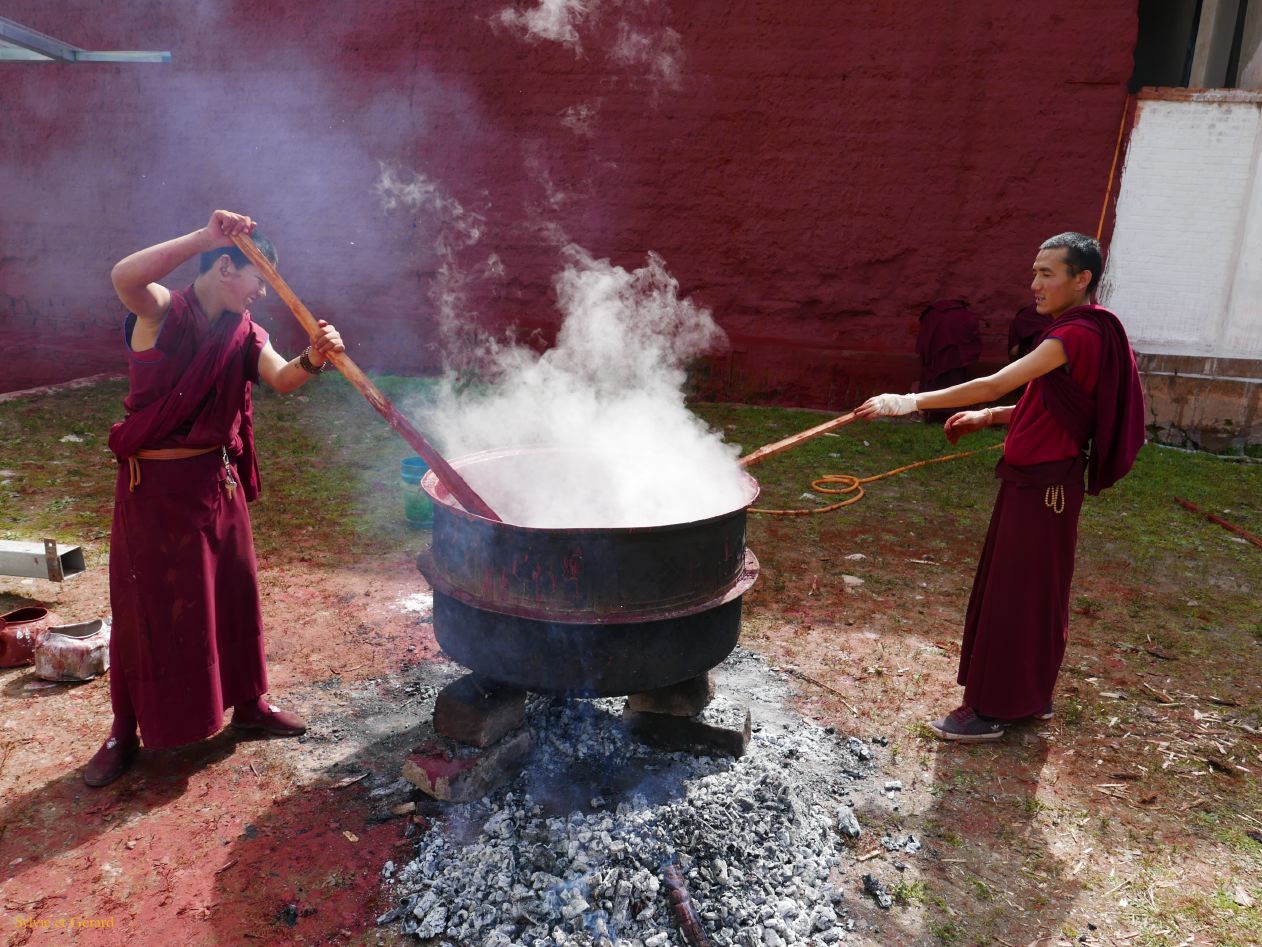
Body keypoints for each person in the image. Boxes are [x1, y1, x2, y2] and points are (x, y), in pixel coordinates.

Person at [84, 210, 345, 786]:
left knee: (234, 596)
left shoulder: (245, 332)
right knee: (146, 613)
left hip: (216, 489)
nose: (259, 292)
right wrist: (204, 236)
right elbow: (125, 277)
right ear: (225, 267)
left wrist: (315, 358)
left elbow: (281, 378)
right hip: (153, 494)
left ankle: (249, 705)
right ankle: (124, 729)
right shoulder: (162, 313)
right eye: (257, 278)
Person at [856, 233, 1145, 742]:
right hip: (1039, 487)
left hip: (1044, 491)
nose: (1035, 284)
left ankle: (994, 710)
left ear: (1083, 279)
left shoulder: (1076, 335)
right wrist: (990, 418)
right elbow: (1051, 401)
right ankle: (1030, 697)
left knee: (1018, 597)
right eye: (1034, 272)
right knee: (1033, 594)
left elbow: (996, 381)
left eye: (1048, 273)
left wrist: (908, 401)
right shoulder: (1080, 334)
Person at [914, 298, 982, 423]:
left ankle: (932, 415)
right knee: (955, 384)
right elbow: (972, 336)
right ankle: (954, 417)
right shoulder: (965, 315)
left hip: (935, 359)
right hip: (957, 360)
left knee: (935, 385)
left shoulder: (932, 314)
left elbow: (924, 337)